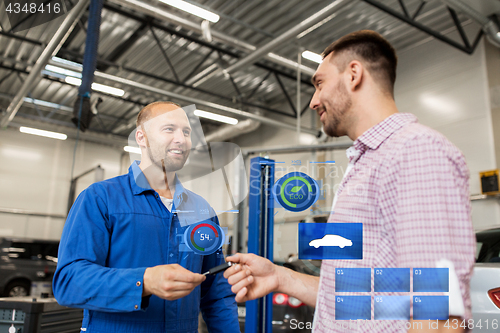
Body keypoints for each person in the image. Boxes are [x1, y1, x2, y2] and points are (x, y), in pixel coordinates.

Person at [224, 30, 475, 333]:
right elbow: (364, 299)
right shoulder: (365, 164)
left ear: (354, 74)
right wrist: (281, 277)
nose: (314, 101)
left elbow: (437, 316)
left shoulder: (415, 151)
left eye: (319, 83)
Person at [53, 101, 240, 333]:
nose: (181, 139)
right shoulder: (100, 198)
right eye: (169, 129)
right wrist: (144, 281)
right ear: (141, 137)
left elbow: (216, 293)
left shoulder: (203, 211)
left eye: (187, 132)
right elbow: (69, 282)